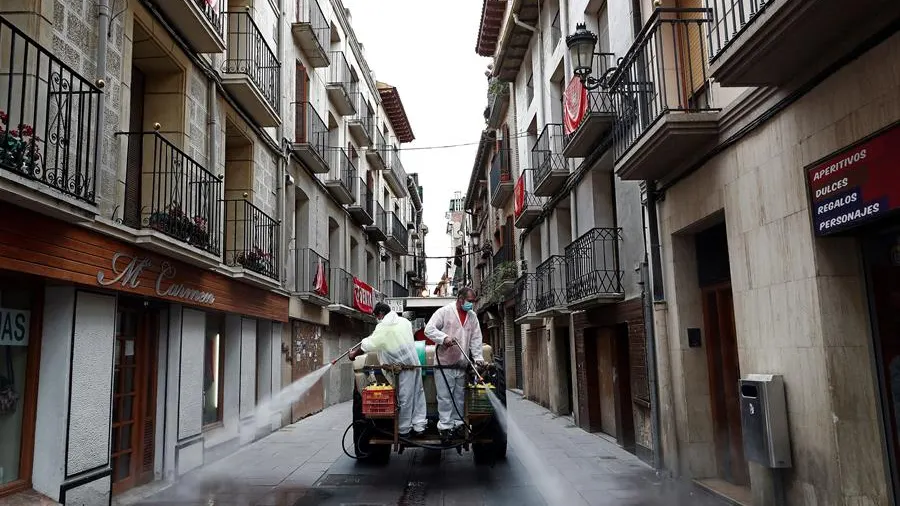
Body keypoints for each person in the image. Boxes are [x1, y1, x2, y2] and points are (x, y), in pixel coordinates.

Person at [349, 302, 427, 436]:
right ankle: (419, 426)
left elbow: (370, 344)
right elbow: (382, 338)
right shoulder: (404, 322)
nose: (377, 319)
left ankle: (403, 430)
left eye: (377, 316)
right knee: (418, 394)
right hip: (415, 364)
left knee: (405, 398)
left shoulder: (384, 326)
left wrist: (353, 354)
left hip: (403, 369)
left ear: (380, 314)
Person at [424, 287, 484, 439]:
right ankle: (445, 427)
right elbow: (429, 330)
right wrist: (444, 338)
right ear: (460, 299)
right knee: (445, 397)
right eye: (470, 301)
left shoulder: (472, 317)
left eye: (473, 302)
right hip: (444, 364)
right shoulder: (444, 312)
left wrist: (478, 359)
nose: (472, 304)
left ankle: (458, 424)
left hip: (461, 364)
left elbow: (476, 339)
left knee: (459, 397)